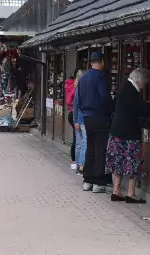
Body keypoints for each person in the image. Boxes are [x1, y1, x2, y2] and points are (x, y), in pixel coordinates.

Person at [106, 68, 150, 204]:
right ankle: (131, 193)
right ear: (140, 81)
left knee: (117, 162)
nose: (143, 87)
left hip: (116, 132)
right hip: (129, 134)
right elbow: (142, 109)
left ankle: (116, 191)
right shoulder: (131, 91)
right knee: (133, 164)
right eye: (144, 83)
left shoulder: (124, 87)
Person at [75, 51, 114, 193]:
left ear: (91, 62)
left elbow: (78, 99)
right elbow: (105, 98)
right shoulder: (101, 77)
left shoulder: (83, 78)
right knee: (100, 149)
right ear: (102, 61)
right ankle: (98, 182)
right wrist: (112, 109)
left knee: (90, 149)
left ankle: (88, 180)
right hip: (100, 117)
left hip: (87, 118)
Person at [72, 70, 87, 175]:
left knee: (80, 143)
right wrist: (76, 120)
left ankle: (78, 165)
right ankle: (80, 166)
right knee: (83, 143)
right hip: (81, 118)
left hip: (79, 118)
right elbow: (76, 105)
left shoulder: (78, 87)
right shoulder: (81, 89)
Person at [64, 71, 77, 170]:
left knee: (76, 138)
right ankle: (76, 162)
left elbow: (68, 101)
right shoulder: (74, 86)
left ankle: (73, 161)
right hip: (75, 113)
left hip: (71, 113)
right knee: (78, 140)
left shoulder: (68, 85)